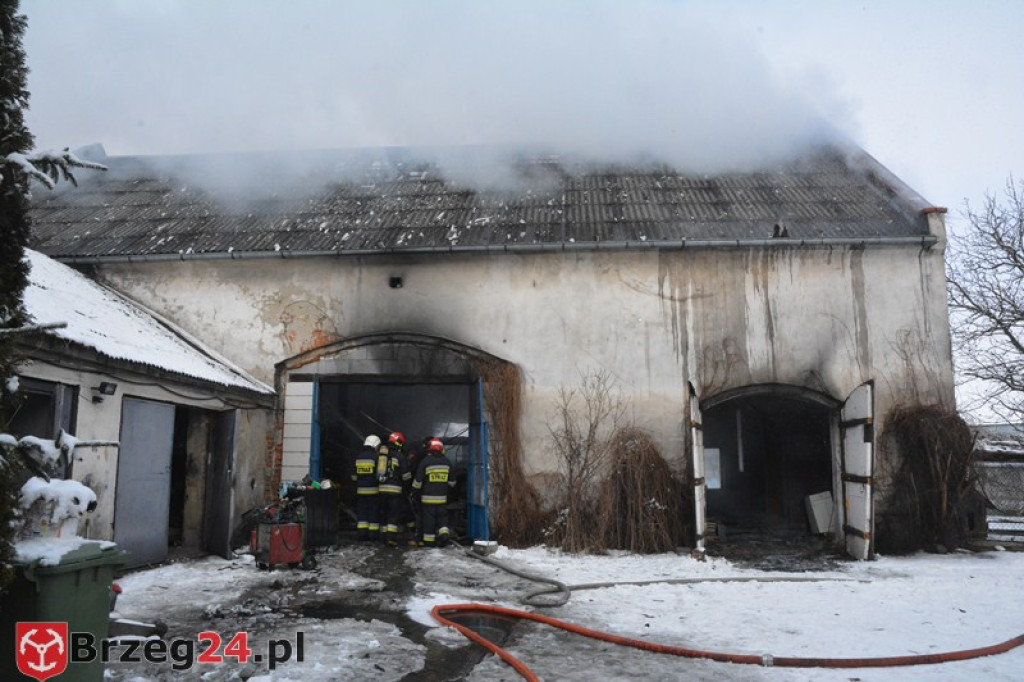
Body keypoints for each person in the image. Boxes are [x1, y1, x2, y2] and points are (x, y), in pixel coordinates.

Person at [411, 437, 456, 547]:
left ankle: (429, 542)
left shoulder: (425, 462)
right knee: (442, 519)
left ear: (430, 448)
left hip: (427, 500)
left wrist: (415, 493)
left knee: (429, 521)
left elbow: (417, 482)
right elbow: (452, 483)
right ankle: (444, 536)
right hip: (442, 500)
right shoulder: (447, 462)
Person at [378, 431, 411, 546]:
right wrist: (408, 486)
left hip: (381, 490)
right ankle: (390, 538)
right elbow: (406, 475)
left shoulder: (382, 455)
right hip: (395, 490)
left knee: (384, 513)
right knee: (393, 514)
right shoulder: (399, 456)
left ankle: (382, 537)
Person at [351, 435, 381, 541]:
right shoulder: (376, 457)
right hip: (373, 491)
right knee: (373, 513)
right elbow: (379, 475)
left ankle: (362, 535)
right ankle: (373, 536)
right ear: (375, 445)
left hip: (360, 491)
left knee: (362, 514)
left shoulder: (359, 457)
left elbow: (354, 476)